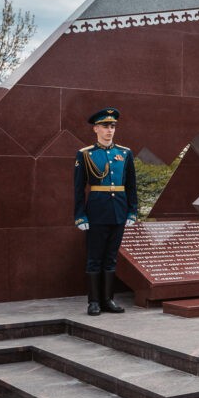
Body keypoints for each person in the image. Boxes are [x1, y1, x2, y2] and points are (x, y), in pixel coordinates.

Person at [74, 108, 137, 316]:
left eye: (112, 126)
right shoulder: (85, 154)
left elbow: (131, 185)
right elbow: (78, 188)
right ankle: (93, 302)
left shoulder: (125, 153)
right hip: (96, 212)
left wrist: (132, 212)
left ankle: (108, 300)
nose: (109, 130)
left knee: (111, 257)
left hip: (118, 210)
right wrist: (80, 215)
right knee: (94, 257)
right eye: (105, 126)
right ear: (95, 129)